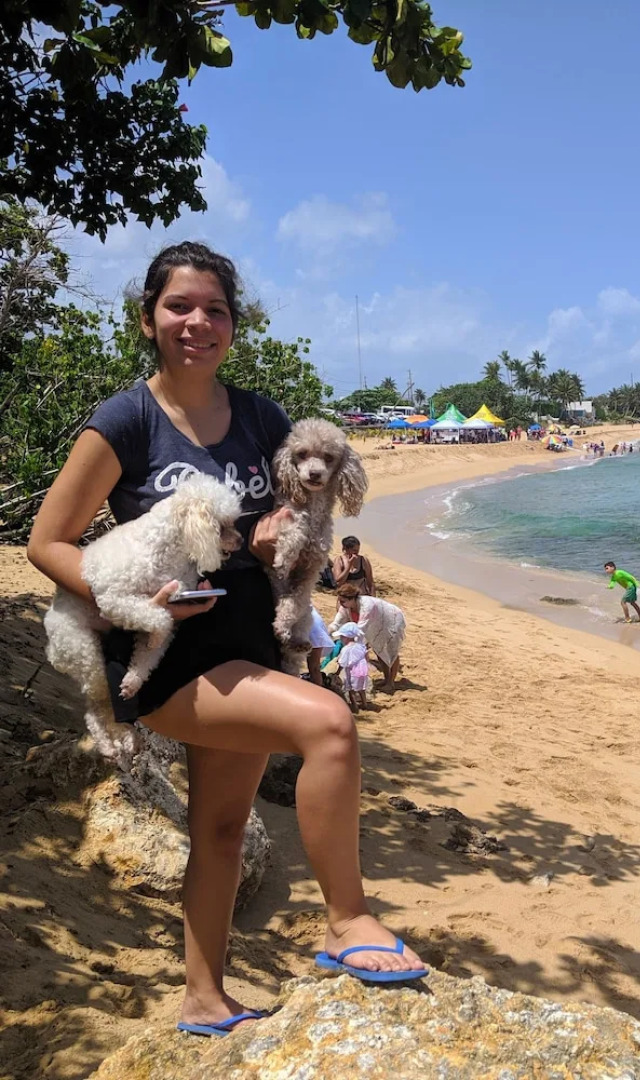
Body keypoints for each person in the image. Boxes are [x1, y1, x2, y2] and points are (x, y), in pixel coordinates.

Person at [26, 242, 426, 1035]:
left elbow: (288, 523)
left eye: (215, 309)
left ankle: (204, 1001)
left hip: (247, 645)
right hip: (166, 657)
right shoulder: (125, 420)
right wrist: (128, 593)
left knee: (218, 829)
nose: (197, 322)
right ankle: (347, 920)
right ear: (149, 320)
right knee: (330, 725)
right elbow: (48, 543)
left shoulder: (259, 418)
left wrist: (277, 540)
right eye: (179, 306)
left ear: (234, 327)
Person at [330, 584, 406, 693]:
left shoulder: (366, 606)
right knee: (379, 650)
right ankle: (386, 679)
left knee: (391, 651)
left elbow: (360, 631)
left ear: (352, 599)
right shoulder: (346, 607)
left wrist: (349, 648)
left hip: (391, 620)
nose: (341, 604)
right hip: (374, 624)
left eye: (343, 601)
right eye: (340, 601)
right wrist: (328, 633)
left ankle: (390, 683)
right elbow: (336, 623)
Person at [335, 622, 371, 713]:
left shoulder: (346, 649)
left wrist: (337, 672)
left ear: (346, 637)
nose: (341, 639)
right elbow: (366, 656)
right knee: (361, 689)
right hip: (362, 671)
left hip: (352, 672)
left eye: (341, 637)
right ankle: (364, 704)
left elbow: (342, 663)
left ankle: (354, 706)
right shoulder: (360, 646)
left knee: (351, 690)